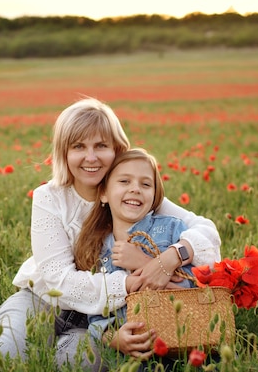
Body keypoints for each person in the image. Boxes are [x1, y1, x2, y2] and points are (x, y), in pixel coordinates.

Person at [0, 97, 220, 372]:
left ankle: (35, 356)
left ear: (116, 149)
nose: (91, 157)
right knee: (6, 364)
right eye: (78, 147)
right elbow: (58, 279)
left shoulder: (132, 193)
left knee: (76, 371)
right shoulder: (49, 198)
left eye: (101, 146)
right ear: (63, 153)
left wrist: (170, 258)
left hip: (95, 321)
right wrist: (128, 282)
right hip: (41, 302)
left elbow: (206, 231)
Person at [77, 148, 195, 354]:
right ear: (103, 193)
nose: (135, 189)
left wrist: (146, 263)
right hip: (136, 351)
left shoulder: (172, 229)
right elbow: (94, 312)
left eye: (146, 184)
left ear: (155, 195)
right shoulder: (96, 249)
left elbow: (198, 285)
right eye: (124, 181)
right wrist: (113, 338)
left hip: (189, 339)